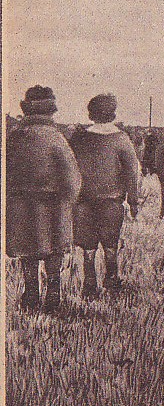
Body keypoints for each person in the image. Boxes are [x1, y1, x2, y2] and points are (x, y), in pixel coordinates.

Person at [6, 85, 81, 312]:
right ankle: (53, 295)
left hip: (20, 205)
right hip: (52, 207)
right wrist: (69, 201)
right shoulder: (57, 138)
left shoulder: (14, 137)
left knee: (27, 254)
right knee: (54, 253)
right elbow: (72, 178)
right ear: (50, 111)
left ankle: (30, 294)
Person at [69, 94, 139, 298]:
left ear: (91, 114)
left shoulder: (79, 138)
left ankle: (89, 285)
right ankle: (112, 282)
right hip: (111, 203)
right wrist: (133, 201)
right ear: (113, 113)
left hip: (83, 202)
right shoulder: (121, 139)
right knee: (110, 245)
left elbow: (70, 169)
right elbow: (131, 173)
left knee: (88, 247)